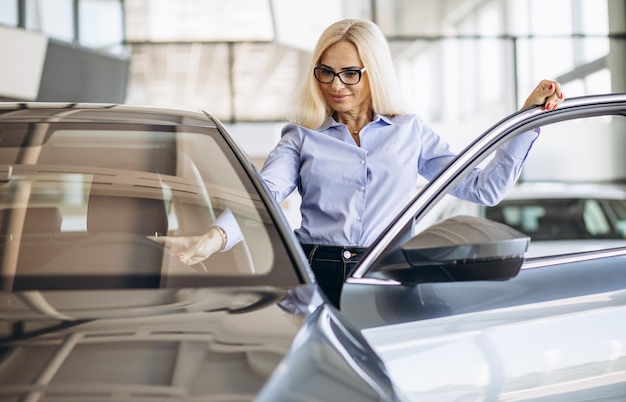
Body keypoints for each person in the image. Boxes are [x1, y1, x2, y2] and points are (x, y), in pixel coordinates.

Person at [153, 18, 564, 308]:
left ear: (375, 73)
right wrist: (213, 239)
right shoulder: (301, 136)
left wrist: (526, 120)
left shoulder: (411, 132)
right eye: (326, 72)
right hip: (316, 272)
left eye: (351, 73)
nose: (336, 85)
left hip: (390, 272)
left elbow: (482, 188)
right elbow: (267, 194)